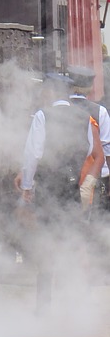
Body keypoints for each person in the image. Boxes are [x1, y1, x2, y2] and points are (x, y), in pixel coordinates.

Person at [14, 72, 104, 306]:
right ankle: (72, 305)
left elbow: (34, 153)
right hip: (72, 188)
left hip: (48, 189)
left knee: (47, 246)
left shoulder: (43, 115)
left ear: (49, 92)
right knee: (71, 242)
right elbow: (91, 151)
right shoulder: (84, 118)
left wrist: (27, 186)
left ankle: (44, 306)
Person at [67, 65, 110, 209]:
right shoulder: (100, 111)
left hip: (64, 175)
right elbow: (107, 149)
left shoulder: (60, 109)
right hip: (94, 178)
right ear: (90, 87)